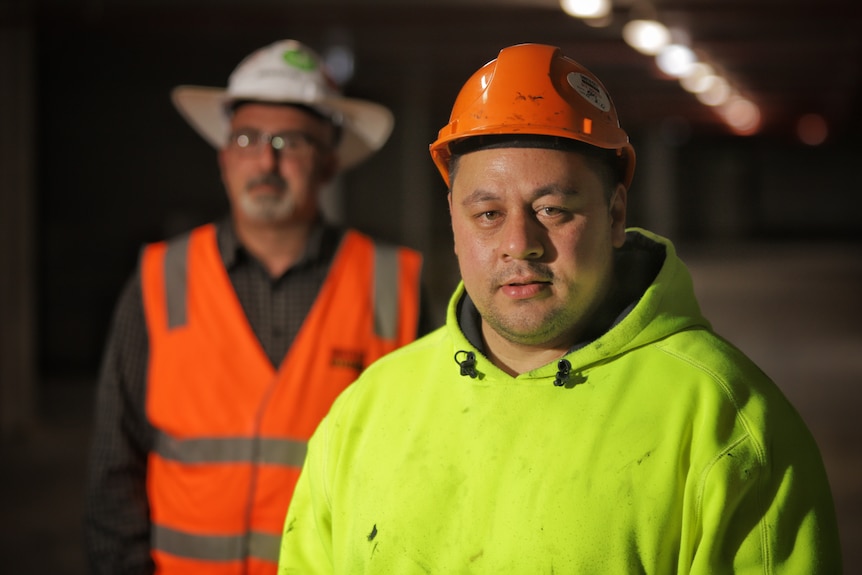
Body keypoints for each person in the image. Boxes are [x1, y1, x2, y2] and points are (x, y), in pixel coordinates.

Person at [276, 43, 842, 573]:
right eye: (488, 214)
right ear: (454, 225)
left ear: (616, 215)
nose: (520, 243)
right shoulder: (367, 413)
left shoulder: (729, 423)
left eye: (551, 209)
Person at [84, 39, 428, 575]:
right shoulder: (159, 279)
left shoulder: (393, 284)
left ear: (329, 163)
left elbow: (421, 468)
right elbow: (114, 464)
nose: (265, 160)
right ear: (224, 157)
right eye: (247, 139)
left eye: (290, 142)